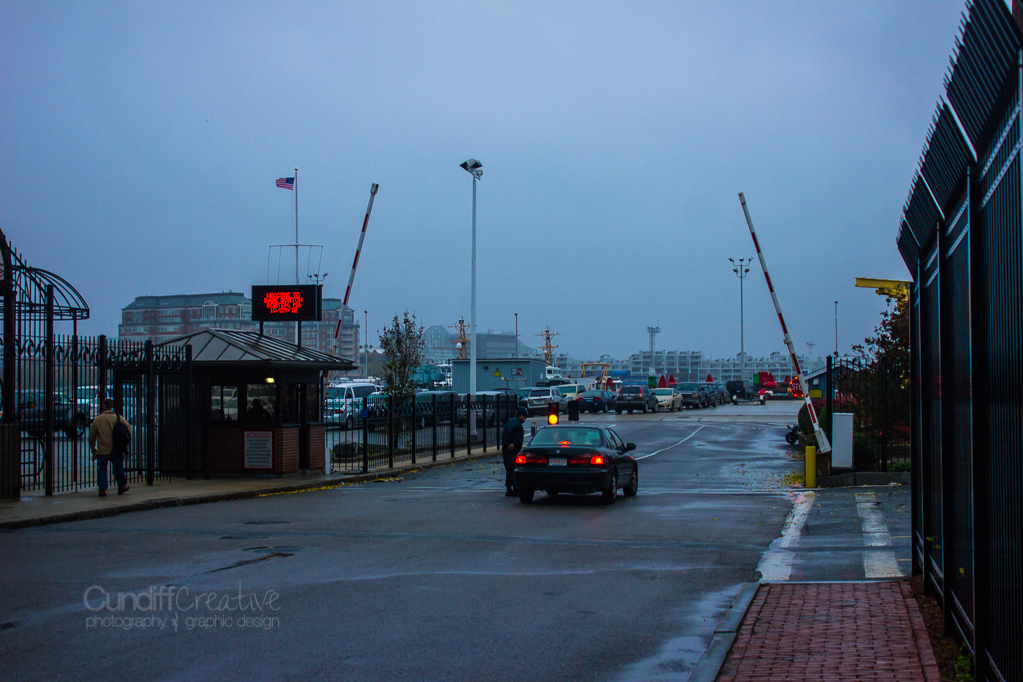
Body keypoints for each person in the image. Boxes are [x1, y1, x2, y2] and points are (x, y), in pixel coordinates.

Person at [88, 398, 132, 497]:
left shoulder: (98, 419)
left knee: (102, 469)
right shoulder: (117, 417)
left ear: (104, 406)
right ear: (111, 406)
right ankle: (122, 485)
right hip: (115, 448)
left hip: (102, 449)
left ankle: (102, 488)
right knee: (118, 468)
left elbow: (91, 435)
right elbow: (129, 428)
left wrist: (92, 447)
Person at [501, 408, 528, 496]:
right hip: (512, 450)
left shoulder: (513, 421)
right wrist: (510, 443)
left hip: (509, 449)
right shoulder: (516, 423)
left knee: (509, 469)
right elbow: (508, 431)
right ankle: (514, 489)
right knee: (513, 468)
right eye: (524, 416)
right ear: (521, 416)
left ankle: (509, 489)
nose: (525, 419)